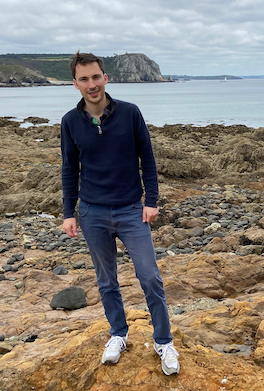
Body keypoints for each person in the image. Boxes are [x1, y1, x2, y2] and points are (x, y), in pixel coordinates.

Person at [60, 51, 180, 376]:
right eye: (84, 79)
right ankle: (118, 334)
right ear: (75, 84)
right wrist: (68, 212)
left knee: (150, 276)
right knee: (106, 281)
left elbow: (147, 158)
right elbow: (69, 169)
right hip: (92, 212)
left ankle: (164, 341)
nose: (91, 84)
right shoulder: (70, 122)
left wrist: (151, 200)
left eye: (95, 77)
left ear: (105, 78)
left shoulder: (130, 113)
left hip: (131, 210)